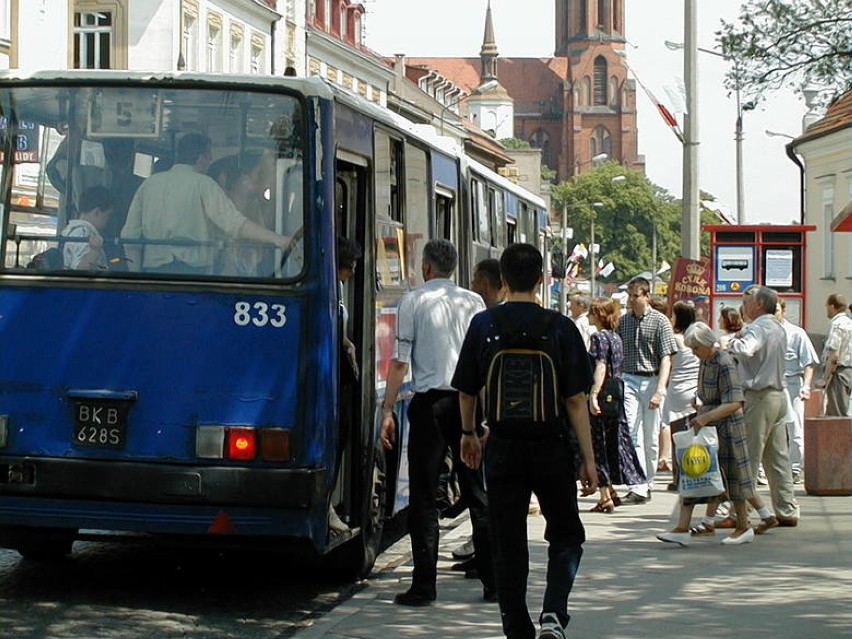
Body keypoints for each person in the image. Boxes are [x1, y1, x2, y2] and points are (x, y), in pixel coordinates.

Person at [454, 243, 597, 639]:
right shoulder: (561, 328)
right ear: (540, 280)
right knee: (566, 533)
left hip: (502, 446)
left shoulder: (484, 325)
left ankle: (516, 626)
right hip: (550, 445)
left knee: (507, 539)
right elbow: (575, 400)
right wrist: (588, 458)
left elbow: (467, 390)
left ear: (502, 280)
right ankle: (553, 613)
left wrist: (469, 434)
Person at [379, 239, 495, 606]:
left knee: (425, 496)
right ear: (452, 267)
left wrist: (387, 408)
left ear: (426, 268)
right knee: (476, 490)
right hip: (468, 405)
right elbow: (484, 360)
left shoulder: (412, 301)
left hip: (429, 406)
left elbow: (400, 361)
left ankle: (424, 585)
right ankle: (493, 581)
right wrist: (485, 416)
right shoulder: (473, 302)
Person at [656, 322, 769, 547]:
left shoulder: (725, 362)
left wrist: (707, 416)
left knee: (733, 477)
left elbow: (735, 402)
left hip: (726, 427)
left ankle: (743, 526)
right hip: (708, 425)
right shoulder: (706, 361)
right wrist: (699, 405)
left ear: (707, 344)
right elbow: (707, 394)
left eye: (696, 348)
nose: (694, 353)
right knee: (693, 474)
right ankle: (683, 526)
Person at [121, 133, 292, 274]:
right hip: (193, 274)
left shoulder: (149, 184)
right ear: (202, 158)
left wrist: (137, 278)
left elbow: (129, 237)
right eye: (209, 157)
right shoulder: (204, 184)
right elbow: (234, 224)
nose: (209, 162)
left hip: (153, 274)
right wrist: (277, 239)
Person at [727, 285, 799, 532]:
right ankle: (786, 509)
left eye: (747, 301)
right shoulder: (778, 326)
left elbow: (746, 349)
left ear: (759, 305)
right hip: (779, 394)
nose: (743, 305)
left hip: (759, 396)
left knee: (748, 455)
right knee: (777, 457)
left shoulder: (758, 327)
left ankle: (740, 512)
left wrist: (730, 343)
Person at [450, 257, 504, 571]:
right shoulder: (544, 321)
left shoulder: (486, 321)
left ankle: (487, 559)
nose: (471, 283)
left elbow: (474, 382)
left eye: (474, 277)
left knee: (486, 490)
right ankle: (486, 556)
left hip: (491, 421)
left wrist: (474, 428)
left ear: (484, 280)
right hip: (516, 425)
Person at [616, 277, 678, 504]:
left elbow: (666, 358)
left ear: (646, 296)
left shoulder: (660, 322)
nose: (632, 300)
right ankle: (638, 484)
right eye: (630, 296)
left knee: (651, 435)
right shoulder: (624, 322)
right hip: (629, 378)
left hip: (651, 379)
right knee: (631, 431)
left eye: (636, 296)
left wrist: (660, 389)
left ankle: (648, 482)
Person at [587, 297, 646, 513]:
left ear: (599, 315)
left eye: (592, 312)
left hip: (603, 392)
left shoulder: (598, 338)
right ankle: (611, 489)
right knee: (613, 440)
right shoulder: (616, 337)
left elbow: (600, 366)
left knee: (599, 442)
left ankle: (604, 494)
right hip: (617, 391)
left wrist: (593, 394)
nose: (588, 315)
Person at [327, 236, 363, 534]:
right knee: (334, 438)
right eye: (349, 266)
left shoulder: (338, 287)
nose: (352, 273)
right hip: (329, 377)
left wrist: (347, 343)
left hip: (341, 369)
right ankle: (325, 506)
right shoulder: (326, 287)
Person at [775, 299, 819, 482]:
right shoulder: (764, 332)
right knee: (771, 428)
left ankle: (794, 468)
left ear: (783, 311)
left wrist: (806, 386)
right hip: (772, 384)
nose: (774, 313)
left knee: (794, 427)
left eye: (776, 309)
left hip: (793, 382)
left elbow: (809, 362)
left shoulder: (796, 333)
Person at [662, 301, 700, 488]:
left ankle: (678, 477)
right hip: (695, 391)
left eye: (673, 315)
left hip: (677, 390)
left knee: (678, 435)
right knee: (693, 435)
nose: (671, 319)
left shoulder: (675, 338)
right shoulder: (698, 336)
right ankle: (694, 472)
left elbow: (665, 361)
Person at [815, 293, 852, 416]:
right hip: (848, 372)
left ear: (832, 306)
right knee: (843, 408)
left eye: (827, 306)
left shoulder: (837, 325)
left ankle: (840, 436)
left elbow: (834, 356)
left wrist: (825, 379)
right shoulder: (849, 323)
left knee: (837, 413)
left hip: (838, 373)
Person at [61, 186, 113, 270]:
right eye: (108, 215)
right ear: (97, 212)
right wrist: (95, 251)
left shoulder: (71, 231)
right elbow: (80, 269)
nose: (109, 220)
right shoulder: (83, 233)